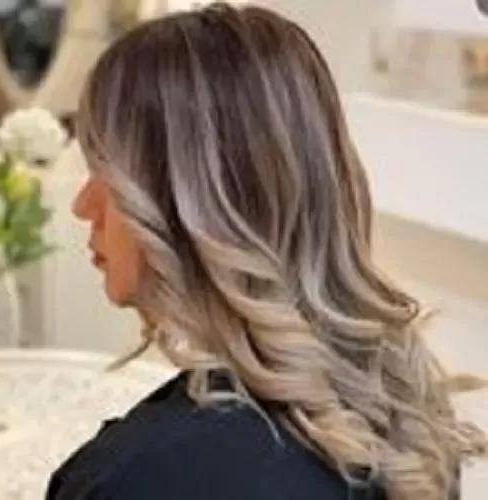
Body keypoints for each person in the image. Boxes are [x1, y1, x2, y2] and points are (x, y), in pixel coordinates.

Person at [46, 4, 486, 499]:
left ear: (194, 203)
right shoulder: (405, 417)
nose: (83, 206)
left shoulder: (136, 479)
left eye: (103, 171)